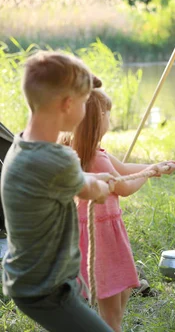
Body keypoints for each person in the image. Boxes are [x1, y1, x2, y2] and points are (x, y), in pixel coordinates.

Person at [0, 51, 113, 331]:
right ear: (67, 104)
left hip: (35, 279)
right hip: (46, 289)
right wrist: (101, 182)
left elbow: (63, 180)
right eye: (85, 102)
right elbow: (93, 191)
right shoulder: (57, 160)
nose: (87, 110)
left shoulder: (22, 144)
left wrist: (93, 178)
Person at [64, 88, 175, 332]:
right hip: (102, 235)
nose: (110, 120)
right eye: (108, 115)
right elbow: (124, 187)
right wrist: (149, 174)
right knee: (111, 304)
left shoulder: (84, 151)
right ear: (98, 117)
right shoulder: (96, 158)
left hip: (99, 232)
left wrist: (153, 166)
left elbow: (123, 168)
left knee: (122, 289)